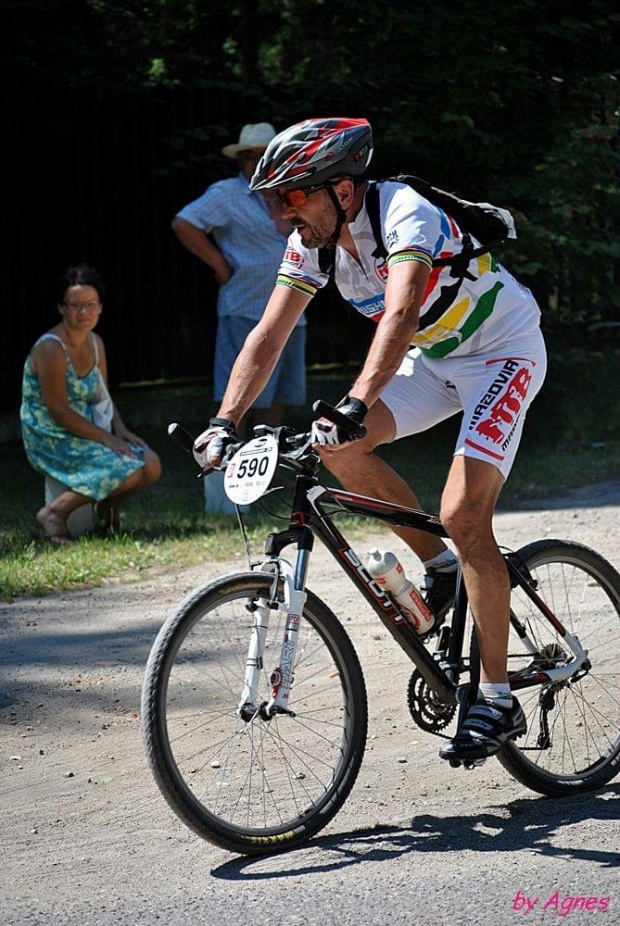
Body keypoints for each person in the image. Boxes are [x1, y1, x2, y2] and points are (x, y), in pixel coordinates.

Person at [192, 118, 549, 764]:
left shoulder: (406, 214)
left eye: (292, 196)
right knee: (336, 449)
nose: (280, 214)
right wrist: (225, 420)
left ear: (344, 191)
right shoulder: (312, 241)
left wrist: (356, 401)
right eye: (274, 199)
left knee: (463, 514)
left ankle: (497, 697)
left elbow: (404, 311)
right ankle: (441, 571)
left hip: (503, 354)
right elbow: (269, 335)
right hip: (437, 361)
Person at [171, 122, 306, 427]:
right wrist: (219, 264)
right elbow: (184, 223)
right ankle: (225, 458)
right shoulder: (226, 193)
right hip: (246, 307)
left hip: (292, 311)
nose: (256, 162)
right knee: (236, 391)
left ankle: (267, 461)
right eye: (248, 156)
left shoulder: (292, 192)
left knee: (278, 395)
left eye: (263, 155)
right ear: (240, 161)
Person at [20, 265, 161, 543]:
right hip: (51, 434)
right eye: (75, 305)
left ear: (100, 307)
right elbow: (58, 411)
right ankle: (54, 513)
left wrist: (119, 430)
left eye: (90, 304)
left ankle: (107, 507)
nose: (83, 312)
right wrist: (107, 439)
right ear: (61, 308)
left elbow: (102, 396)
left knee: (151, 464)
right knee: (128, 468)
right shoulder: (51, 347)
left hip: (86, 426)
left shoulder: (95, 343)